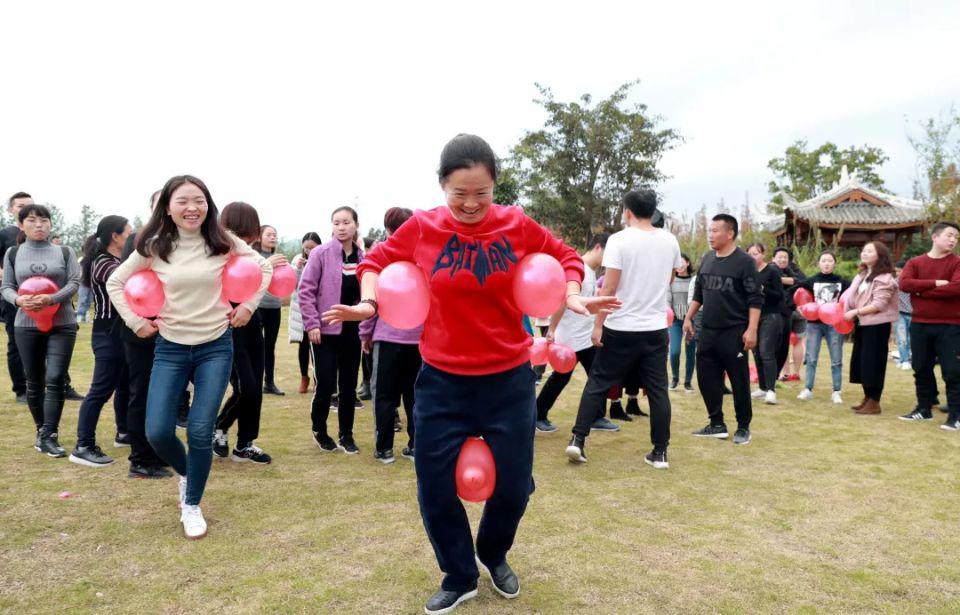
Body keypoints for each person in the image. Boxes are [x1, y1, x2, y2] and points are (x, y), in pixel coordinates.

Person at [323, 134, 615, 614]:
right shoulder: (423, 227)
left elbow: (566, 257)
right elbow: (375, 261)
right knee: (434, 484)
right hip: (442, 381)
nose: (472, 203)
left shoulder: (515, 223)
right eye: (460, 193)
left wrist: (570, 293)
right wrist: (370, 302)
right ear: (443, 186)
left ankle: (493, 553)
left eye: (482, 192)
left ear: (494, 186)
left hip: (508, 379)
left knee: (515, 485)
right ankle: (459, 574)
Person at [107, 175, 271, 540]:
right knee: (157, 431)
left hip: (215, 346)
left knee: (199, 430)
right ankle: (188, 473)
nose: (192, 207)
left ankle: (192, 503)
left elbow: (264, 268)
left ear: (208, 205)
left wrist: (248, 305)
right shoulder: (154, 245)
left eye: (199, 200)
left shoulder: (222, 240)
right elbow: (115, 282)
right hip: (171, 348)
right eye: (182, 201)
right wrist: (136, 322)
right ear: (168, 207)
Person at [565, 189, 676, 468]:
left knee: (597, 383)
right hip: (654, 327)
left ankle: (578, 440)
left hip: (621, 326)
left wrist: (598, 325)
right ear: (652, 211)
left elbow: (609, 288)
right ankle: (660, 452)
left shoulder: (619, 240)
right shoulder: (669, 240)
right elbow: (669, 279)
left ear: (627, 212)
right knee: (658, 390)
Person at [1, 204, 80, 457]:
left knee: (55, 378)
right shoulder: (13, 253)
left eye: (44, 220)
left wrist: (51, 299)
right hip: (26, 325)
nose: (39, 225)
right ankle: (41, 432)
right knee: (34, 381)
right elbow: (6, 286)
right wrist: (18, 300)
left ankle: (49, 435)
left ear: (50, 224)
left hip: (62, 323)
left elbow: (74, 282)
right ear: (21, 224)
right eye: (32, 220)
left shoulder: (65, 252)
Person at [214, 204, 285, 464]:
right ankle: (219, 428)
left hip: (251, 320)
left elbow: (260, 279)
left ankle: (245, 443)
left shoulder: (252, 255)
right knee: (245, 387)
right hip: (227, 324)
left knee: (255, 386)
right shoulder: (218, 250)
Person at [683, 214, 761, 445]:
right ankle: (716, 423)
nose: (711, 235)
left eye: (715, 230)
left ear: (730, 233)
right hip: (708, 331)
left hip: (734, 331)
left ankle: (743, 427)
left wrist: (752, 329)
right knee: (706, 377)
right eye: (710, 230)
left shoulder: (745, 262)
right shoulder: (707, 258)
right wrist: (688, 318)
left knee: (739, 381)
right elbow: (699, 293)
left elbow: (755, 299)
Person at [299, 206, 365, 455]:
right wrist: (312, 323)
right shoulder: (321, 253)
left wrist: (365, 329)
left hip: (352, 330)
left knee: (348, 386)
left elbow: (368, 295)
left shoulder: (362, 257)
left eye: (346, 222)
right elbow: (306, 290)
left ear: (355, 225)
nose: (341, 227)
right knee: (326, 383)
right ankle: (319, 430)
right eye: (336, 223)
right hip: (324, 331)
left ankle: (346, 435)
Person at [68, 216, 133, 467]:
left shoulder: (117, 261)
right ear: (115, 236)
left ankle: (124, 431)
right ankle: (83, 445)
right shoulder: (103, 263)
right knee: (101, 390)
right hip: (108, 332)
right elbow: (126, 281)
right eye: (128, 233)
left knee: (125, 384)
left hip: (123, 331)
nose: (132, 238)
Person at [359, 207, 423, 464]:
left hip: (387, 338)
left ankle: (384, 448)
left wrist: (365, 332)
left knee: (384, 395)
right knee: (415, 396)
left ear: (388, 230)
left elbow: (371, 298)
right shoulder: (423, 256)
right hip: (418, 339)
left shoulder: (381, 256)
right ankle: (416, 446)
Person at [534, 233, 608, 433]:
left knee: (597, 375)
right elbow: (562, 302)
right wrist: (551, 329)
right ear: (598, 247)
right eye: (607, 253)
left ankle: (597, 416)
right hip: (570, 338)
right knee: (561, 377)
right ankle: (538, 415)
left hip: (584, 337)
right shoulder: (578, 269)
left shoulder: (590, 272)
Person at [897, 221, 960, 428]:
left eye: (956, 237)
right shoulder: (915, 262)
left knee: (952, 371)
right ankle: (924, 409)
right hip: (920, 323)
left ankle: (956, 416)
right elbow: (904, 284)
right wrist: (934, 283)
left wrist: (920, 292)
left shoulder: (957, 263)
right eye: (949, 235)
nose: (953, 240)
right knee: (921, 367)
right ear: (935, 237)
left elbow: (956, 288)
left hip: (950, 325)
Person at [841, 241, 898, 415]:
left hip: (877, 325)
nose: (864, 253)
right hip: (863, 323)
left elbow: (879, 304)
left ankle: (874, 401)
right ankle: (867, 398)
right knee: (862, 362)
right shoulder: (862, 275)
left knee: (874, 362)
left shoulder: (885, 278)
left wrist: (855, 312)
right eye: (863, 250)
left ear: (880, 256)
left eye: (869, 251)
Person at [796, 252, 850, 404]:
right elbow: (794, 290)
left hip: (835, 324)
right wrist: (798, 307)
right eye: (824, 261)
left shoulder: (842, 281)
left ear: (834, 263)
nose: (826, 263)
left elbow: (854, 294)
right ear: (819, 263)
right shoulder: (812, 280)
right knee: (811, 358)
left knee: (836, 359)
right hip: (814, 324)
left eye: (830, 261)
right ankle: (808, 389)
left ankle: (836, 391)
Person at [0, 192, 32, 404]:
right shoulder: (5, 234)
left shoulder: (39, 232)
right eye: (20, 206)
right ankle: (21, 389)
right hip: (13, 297)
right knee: (16, 343)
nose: (25, 209)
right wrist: (9, 276)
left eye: (29, 205)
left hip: (41, 297)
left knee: (47, 341)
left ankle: (58, 385)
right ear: (11, 210)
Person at [746, 243, 785, 405]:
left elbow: (779, 295)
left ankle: (771, 390)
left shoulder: (772, 271)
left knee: (766, 352)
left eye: (756, 253)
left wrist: (763, 289)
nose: (753, 257)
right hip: (753, 316)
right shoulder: (747, 272)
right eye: (750, 254)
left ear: (763, 254)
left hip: (770, 315)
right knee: (756, 352)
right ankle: (762, 387)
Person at [253, 224, 285, 396]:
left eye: (275, 235)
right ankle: (255, 382)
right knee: (256, 346)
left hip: (275, 306)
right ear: (259, 237)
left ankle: (269, 383)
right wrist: (267, 264)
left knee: (270, 346)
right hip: (257, 306)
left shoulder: (278, 258)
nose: (273, 237)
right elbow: (250, 275)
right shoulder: (254, 256)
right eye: (269, 234)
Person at [289, 232, 321, 394]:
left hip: (318, 308)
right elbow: (291, 284)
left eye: (312, 247)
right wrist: (297, 268)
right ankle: (304, 377)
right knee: (303, 344)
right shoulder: (297, 259)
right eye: (306, 248)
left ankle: (317, 378)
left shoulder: (323, 258)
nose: (309, 251)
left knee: (317, 344)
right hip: (301, 309)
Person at [772, 247, 805, 381]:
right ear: (774, 258)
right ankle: (788, 373)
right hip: (788, 310)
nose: (783, 259)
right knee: (787, 342)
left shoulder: (787, 270)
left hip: (790, 311)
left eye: (785, 257)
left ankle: (786, 373)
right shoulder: (774, 269)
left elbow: (801, 281)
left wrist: (781, 280)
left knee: (786, 343)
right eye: (780, 257)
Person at [668, 253, 696, 393]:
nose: (679, 264)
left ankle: (688, 382)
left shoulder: (694, 281)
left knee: (690, 352)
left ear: (688, 263)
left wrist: (691, 318)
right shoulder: (671, 281)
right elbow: (667, 300)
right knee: (674, 352)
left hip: (691, 321)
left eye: (682, 261)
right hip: (675, 322)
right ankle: (675, 378)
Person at [357, 235, 378, 402]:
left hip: (371, 316)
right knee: (366, 354)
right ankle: (366, 383)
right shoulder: (367, 264)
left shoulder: (375, 264)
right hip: (363, 312)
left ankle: (368, 384)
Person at [894, 259, 913, 371]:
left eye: (898, 271)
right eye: (896, 271)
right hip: (900, 314)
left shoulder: (913, 282)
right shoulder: (894, 282)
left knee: (911, 339)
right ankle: (905, 361)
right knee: (902, 339)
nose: (897, 274)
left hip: (913, 314)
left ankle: (906, 359)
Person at [75, 235, 97, 324]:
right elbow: (79, 272)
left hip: (91, 282)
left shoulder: (93, 259)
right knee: (82, 300)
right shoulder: (81, 259)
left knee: (89, 300)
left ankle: (83, 317)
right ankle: (79, 317)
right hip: (83, 282)